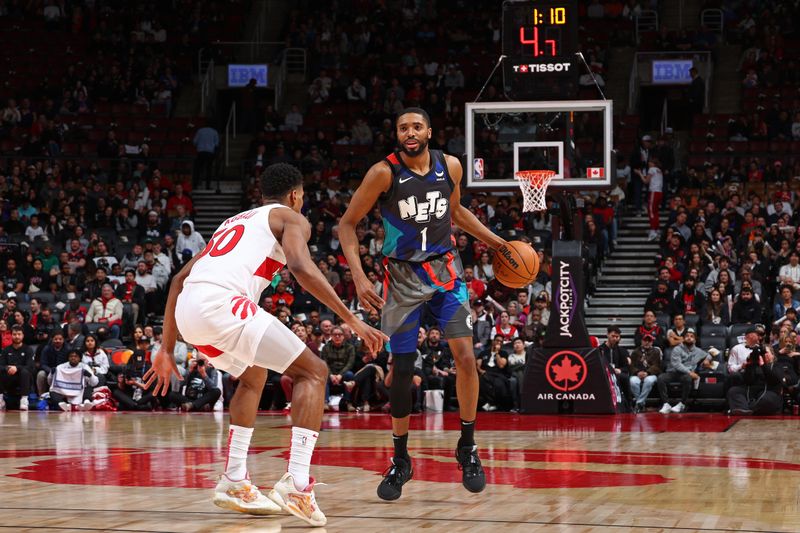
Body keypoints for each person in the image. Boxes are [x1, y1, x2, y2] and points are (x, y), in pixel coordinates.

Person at [144, 163, 386, 526]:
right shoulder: (291, 218)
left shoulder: (234, 222)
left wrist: (166, 348)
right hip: (221, 304)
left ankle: (235, 479)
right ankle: (298, 484)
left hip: (190, 314)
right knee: (314, 372)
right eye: (301, 198)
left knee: (254, 375)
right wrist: (350, 319)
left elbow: (179, 279)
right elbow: (302, 269)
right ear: (294, 195)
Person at [339, 107, 509, 500]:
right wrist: (360, 276)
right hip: (401, 278)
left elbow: (456, 211)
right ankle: (401, 459)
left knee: (466, 357)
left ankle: (467, 446)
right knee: (401, 369)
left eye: (416, 126)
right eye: (403, 128)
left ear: (429, 131)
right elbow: (347, 224)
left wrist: (496, 242)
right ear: (397, 134)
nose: (410, 132)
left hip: (447, 272)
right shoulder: (384, 172)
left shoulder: (449, 165)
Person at [656, 328, 708, 414]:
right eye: (687, 336)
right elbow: (677, 365)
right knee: (661, 378)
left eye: (691, 336)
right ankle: (666, 404)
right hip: (673, 372)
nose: (689, 338)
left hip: (685, 375)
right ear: (683, 339)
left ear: (695, 340)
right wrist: (690, 372)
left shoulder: (699, 351)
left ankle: (682, 404)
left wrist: (707, 360)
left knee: (687, 378)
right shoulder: (677, 349)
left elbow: (709, 355)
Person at [0, 325, 34, 410]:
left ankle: (24, 400)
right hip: (9, 377)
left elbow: (30, 366)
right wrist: (7, 368)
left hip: (23, 378)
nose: (17, 336)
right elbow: (1, 365)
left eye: (19, 334)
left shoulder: (28, 349)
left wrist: (17, 368)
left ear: (23, 335)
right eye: (14, 334)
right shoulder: (6, 350)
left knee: (25, 371)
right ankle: (1, 400)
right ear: (11, 335)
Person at [628, 334, 663, 412]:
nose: (647, 342)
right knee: (633, 381)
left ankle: (639, 403)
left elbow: (658, 366)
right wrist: (637, 372)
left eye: (649, 341)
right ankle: (641, 404)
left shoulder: (656, 351)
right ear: (641, 341)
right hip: (638, 374)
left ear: (652, 342)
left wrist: (647, 372)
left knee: (648, 381)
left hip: (651, 374)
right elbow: (631, 365)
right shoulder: (635, 352)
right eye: (645, 340)